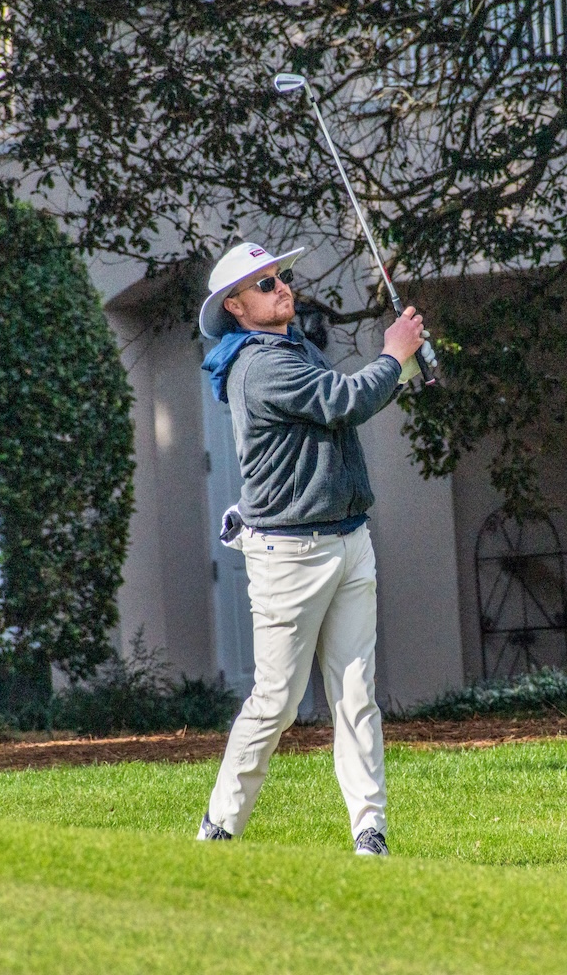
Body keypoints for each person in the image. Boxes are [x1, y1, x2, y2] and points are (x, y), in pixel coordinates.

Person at [194, 241, 426, 856]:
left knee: (356, 695)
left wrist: (403, 366)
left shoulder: (295, 347)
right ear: (236, 306)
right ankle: (219, 827)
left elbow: (343, 406)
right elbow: (342, 401)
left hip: (349, 540)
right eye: (265, 285)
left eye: (280, 277)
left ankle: (369, 832)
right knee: (277, 702)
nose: (282, 288)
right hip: (290, 556)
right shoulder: (259, 366)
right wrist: (394, 353)